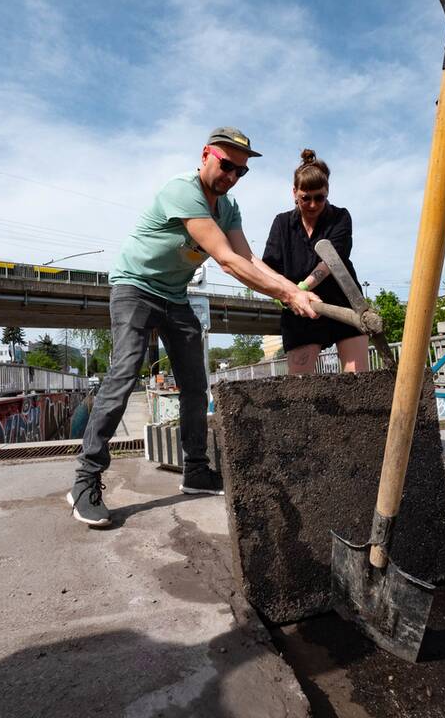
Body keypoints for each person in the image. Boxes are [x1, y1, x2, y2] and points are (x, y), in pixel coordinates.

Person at [69, 127, 321, 527]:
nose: (231, 177)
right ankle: (85, 478)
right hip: (134, 287)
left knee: (194, 383)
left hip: (174, 295)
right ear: (206, 155)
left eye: (241, 172)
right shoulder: (182, 191)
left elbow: (249, 258)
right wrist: (288, 296)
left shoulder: (228, 208)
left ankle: (196, 470)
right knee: (123, 372)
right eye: (226, 166)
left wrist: (296, 289)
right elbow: (226, 260)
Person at [263, 149, 369, 375]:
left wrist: (300, 288)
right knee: (300, 383)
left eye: (319, 197)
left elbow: (332, 261)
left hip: (344, 304)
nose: (312, 204)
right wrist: (285, 293)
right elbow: (270, 267)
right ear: (294, 193)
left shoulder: (340, 217)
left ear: (327, 192)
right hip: (299, 312)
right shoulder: (282, 224)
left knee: (359, 379)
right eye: (306, 198)